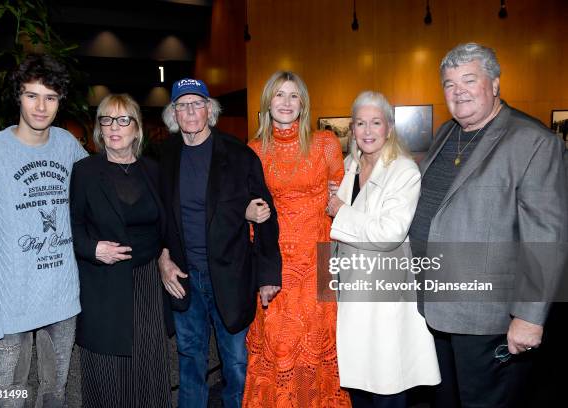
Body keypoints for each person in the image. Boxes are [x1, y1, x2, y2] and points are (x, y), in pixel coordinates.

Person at [409, 42, 568, 407]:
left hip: (488, 318)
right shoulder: (447, 133)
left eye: (469, 79)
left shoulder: (533, 142)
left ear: (494, 84)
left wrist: (529, 316)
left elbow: (546, 236)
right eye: (449, 83)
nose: (458, 90)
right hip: (433, 310)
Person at [0, 54, 88, 406]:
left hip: (61, 299)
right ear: (18, 96)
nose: (41, 106)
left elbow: (96, 203)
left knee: (54, 395)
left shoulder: (68, 147)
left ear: (60, 101)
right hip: (8, 305)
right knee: (10, 398)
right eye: (32, 95)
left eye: (50, 97)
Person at [157, 78, 282, 408]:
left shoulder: (239, 155)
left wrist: (268, 275)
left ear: (209, 110)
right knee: (190, 363)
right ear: (173, 114)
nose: (191, 112)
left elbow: (266, 215)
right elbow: (157, 216)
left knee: (236, 365)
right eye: (182, 106)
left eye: (197, 104)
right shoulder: (164, 156)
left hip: (229, 277)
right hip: (184, 280)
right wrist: (162, 257)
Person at [242, 71, 350, 407]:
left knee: (318, 343)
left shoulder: (326, 144)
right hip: (275, 263)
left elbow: (343, 197)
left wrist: (340, 201)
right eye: (279, 95)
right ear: (267, 103)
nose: (286, 103)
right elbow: (242, 208)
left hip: (319, 260)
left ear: (303, 103)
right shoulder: (254, 151)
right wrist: (245, 213)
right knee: (280, 343)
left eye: (293, 95)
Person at [326, 91, 440, 408]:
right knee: (360, 387)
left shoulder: (403, 170)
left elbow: (390, 233)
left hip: (384, 296)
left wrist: (340, 211)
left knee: (388, 385)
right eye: (360, 123)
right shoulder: (348, 166)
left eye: (376, 122)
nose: (368, 131)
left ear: (389, 127)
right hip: (351, 292)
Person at [70, 94, 172, 407]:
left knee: (152, 366)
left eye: (123, 119)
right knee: (111, 373)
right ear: (100, 128)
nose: (115, 127)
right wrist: (93, 248)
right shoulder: (85, 171)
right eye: (107, 120)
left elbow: (167, 224)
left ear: (137, 129)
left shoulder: (153, 170)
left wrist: (166, 254)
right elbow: (69, 227)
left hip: (149, 285)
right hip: (105, 286)